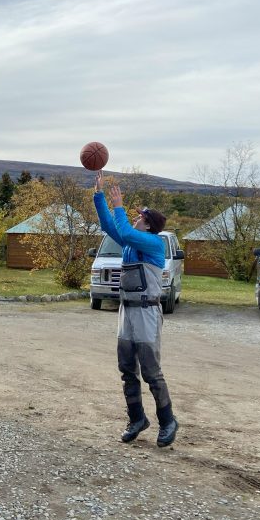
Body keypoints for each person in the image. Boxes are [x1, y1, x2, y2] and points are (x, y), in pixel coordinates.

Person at [93, 173, 179, 447]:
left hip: (146, 313)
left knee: (151, 372)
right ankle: (137, 418)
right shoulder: (131, 243)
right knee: (127, 368)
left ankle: (168, 421)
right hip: (126, 312)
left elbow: (126, 231)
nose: (134, 219)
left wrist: (119, 205)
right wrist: (100, 196)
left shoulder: (153, 243)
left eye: (139, 217)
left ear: (148, 225)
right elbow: (109, 226)